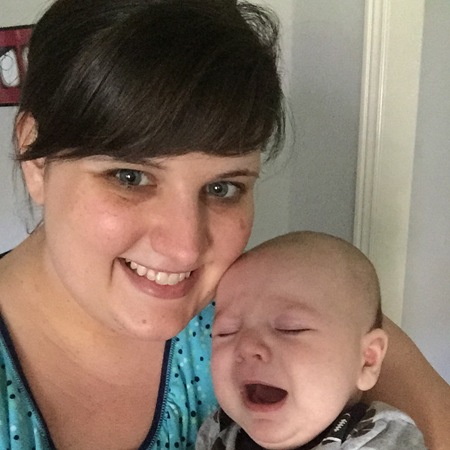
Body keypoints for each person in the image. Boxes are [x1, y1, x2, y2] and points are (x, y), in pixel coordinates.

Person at [0, 0, 448, 449]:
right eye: (129, 177)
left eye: (222, 188)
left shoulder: (287, 315)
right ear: (36, 158)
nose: (185, 248)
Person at [196, 231, 427, 449]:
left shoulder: (381, 438)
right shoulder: (218, 432)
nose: (247, 346)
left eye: (290, 329)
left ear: (367, 360)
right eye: (226, 332)